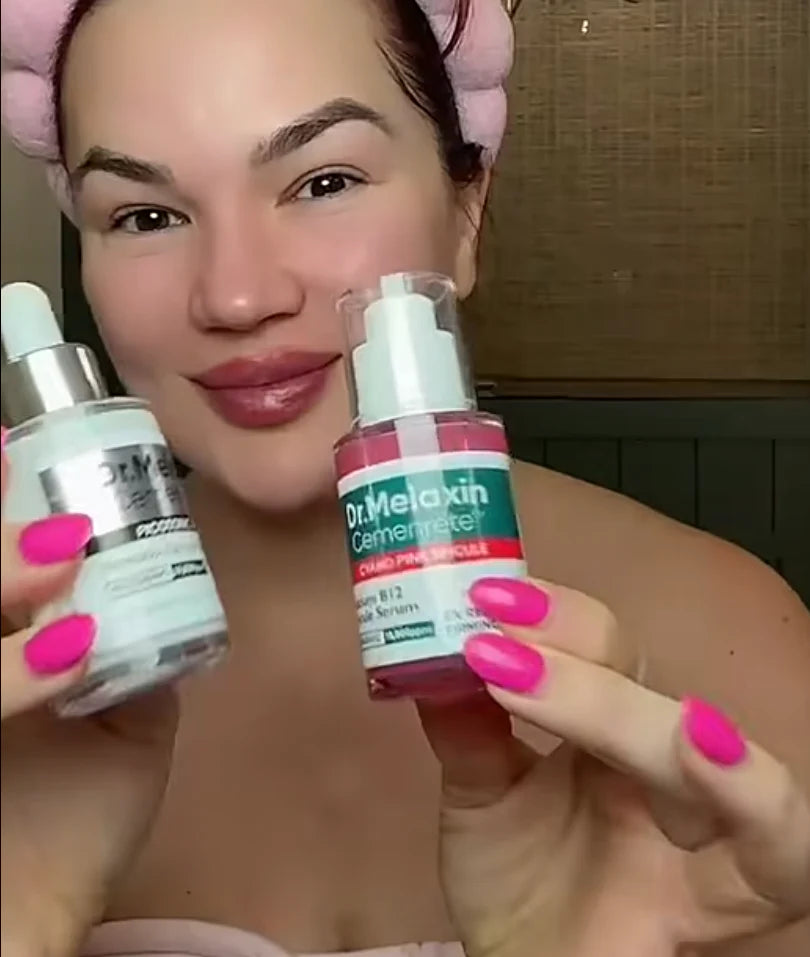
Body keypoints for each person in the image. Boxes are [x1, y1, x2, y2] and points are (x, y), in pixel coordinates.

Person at [1, 1, 809, 956]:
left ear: (466, 212)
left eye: (324, 181)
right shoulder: (27, 697)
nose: (237, 296)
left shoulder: (725, 640)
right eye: (146, 215)